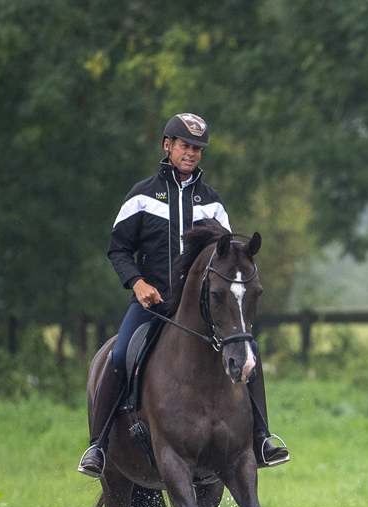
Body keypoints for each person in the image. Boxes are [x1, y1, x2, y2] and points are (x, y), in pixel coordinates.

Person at [78, 113, 290, 477]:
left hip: (202, 309)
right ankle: (98, 447)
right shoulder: (142, 196)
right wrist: (138, 284)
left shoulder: (212, 202)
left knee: (250, 352)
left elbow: (227, 257)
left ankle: (262, 439)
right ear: (168, 145)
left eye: (197, 148)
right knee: (119, 353)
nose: (191, 153)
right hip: (154, 304)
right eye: (185, 146)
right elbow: (118, 250)